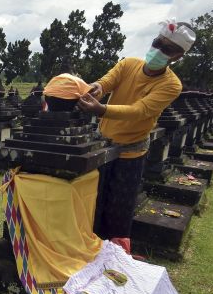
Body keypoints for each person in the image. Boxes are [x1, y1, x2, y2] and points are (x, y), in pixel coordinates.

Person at [76, 19, 196, 254]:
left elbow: (140, 111)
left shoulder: (171, 85)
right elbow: (106, 82)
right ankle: (89, 248)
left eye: (167, 49)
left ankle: (115, 255)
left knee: (119, 208)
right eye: (157, 44)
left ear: (178, 56)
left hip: (131, 150)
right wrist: (95, 88)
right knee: (94, 202)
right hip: (102, 146)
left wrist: (100, 110)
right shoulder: (128, 64)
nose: (159, 51)